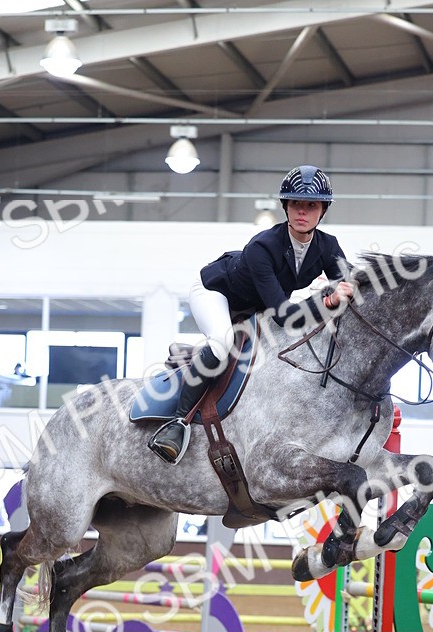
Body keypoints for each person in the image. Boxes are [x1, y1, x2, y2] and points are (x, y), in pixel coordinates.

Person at [148, 165, 355, 464]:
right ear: (286, 206)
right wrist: (326, 301)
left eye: (311, 205)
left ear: (322, 210)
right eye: (296, 203)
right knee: (221, 341)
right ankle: (177, 423)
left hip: (256, 305)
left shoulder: (328, 246)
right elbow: (285, 316)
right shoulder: (263, 246)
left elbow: (347, 290)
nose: (302, 211)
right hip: (217, 293)